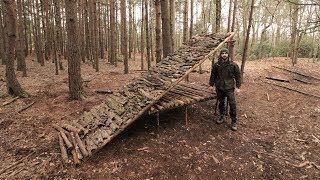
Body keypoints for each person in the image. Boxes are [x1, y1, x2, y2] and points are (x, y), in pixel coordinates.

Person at [209, 48, 241, 131]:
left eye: (225, 53)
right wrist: (211, 85)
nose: (224, 55)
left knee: (232, 104)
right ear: (220, 55)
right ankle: (222, 116)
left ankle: (234, 121)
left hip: (229, 87)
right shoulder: (217, 65)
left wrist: (238, 87)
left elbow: (238, 76)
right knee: (221, 102)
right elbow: (213, 76)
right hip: (219, 87)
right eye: (222, 53)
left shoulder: (233, 65)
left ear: (228, 55)